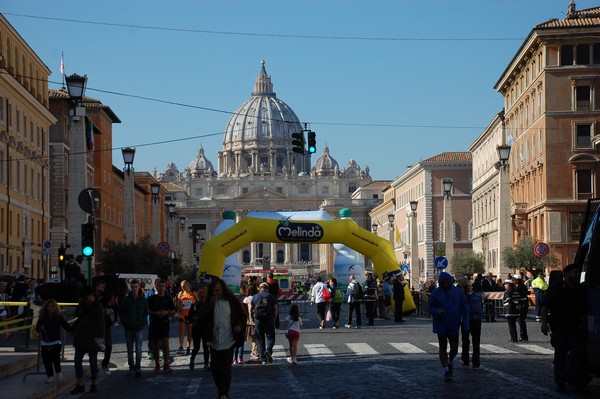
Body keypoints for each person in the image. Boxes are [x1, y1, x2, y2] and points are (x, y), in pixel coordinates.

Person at [541, 263, 589, 392]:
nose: (577, 275)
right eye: (575, 273)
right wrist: (544, 323)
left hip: (576, 326)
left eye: (578, 273)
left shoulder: (580, 289)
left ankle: (578, 382)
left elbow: (586, 308)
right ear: (567, 274)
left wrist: (583, 323)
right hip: (560, 325)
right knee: (560, 356)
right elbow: (545, 305)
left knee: (579, 355)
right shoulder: (556, 288)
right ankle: (560, 381)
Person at [200, 278, 247, 399]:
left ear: (223, 290)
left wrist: (239, 326)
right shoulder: (209, 301)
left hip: (229, 337)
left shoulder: (231, 300)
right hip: (214, 338)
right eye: (214, 291)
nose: (216, 293)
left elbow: (242, 315)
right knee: (215, 368)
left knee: (226, 368)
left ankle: (223, 393)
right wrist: (210, 303)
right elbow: (202, 316)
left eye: (218, 290)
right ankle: (220, 390)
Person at [428, 272, 469, 381]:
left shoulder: (458, 292)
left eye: (447, 283)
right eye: (443, 283)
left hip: (454, 323)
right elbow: (430, 307)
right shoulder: (435, 293)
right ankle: (446, 369)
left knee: (454, 348)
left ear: (450, 282)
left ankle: (450, 361)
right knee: (442, 346)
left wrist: (466, 322)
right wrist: (437, 311)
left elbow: (465, 307)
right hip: (441, 323)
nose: (446, 285)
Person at [70, 285, 105, 394]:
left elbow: (101, 322)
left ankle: (94, 383)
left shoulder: (97, 305)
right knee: (77, 361)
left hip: (92, 337)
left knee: (93, 362)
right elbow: (79, 318)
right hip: (81, 337)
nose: (91, 297)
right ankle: (80, 383)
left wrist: (101, 337)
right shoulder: (82, 305)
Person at [35, 299, 72, 383]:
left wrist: (72, 331)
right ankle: (50, 375)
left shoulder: (58, 316)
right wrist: (40, 328)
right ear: (46, 308)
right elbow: (37, 328)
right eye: (48, 306)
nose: (50, 308)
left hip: (56, 341)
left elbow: (66, 326)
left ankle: (58, 372)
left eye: (52, 306)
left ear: (55, 307)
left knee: (55, 358)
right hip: (45, 342)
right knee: (46, 360)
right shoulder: (42, 317)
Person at [119, 279, 148, 377]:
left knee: (138, 349)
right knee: (130, 349)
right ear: (131, 287)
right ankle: (131, 367)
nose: (134, 289)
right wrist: (125, 322)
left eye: (136, 287)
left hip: (139, 328)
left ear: (139, 287)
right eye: (133, 287)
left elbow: (145, 312)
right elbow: (121, 312)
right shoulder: (126, 300)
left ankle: (138, 367)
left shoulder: (143, 300)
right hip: (129, 328)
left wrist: (143, 323)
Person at [148, 280, 176, 373]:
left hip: (165, 323)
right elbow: (147, 310)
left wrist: (167, 312)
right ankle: (157, 365)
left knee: (165, 343)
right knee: (156, 345)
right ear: (157, 287)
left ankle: (166, 364)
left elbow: (173, 311)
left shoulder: (168, 299)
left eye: (163, 286)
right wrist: (156, 313)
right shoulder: (152, 298)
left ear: (165, 287)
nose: (161, 287)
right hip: (154, 323)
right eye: (159, 286)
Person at [250, 282, 278, 364]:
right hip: (269, 319)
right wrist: (274, 319)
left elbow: (250, 308)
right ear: (267, 288)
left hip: (258, 320)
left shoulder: (255, 297)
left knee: (260, 340)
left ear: (259, 288)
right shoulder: (270, 296)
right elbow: (276, 308)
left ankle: (263, 359)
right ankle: (268, 350)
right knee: (271, 337)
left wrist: (252, 318)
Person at [460, 279, 482, 370]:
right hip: (477, 320)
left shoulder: (462, 297)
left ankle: (465, 361)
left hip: (466, 320)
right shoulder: (477, 297)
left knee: (465, 340)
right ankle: (476, 363)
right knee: (476, 341)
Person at [93, 280, 114, 375]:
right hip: (96, 325)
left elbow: (111, 305)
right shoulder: (93, 297)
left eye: (104, 287)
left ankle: (105, 364)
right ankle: (94, 368)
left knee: (108, 346)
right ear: (97, 287)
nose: (102, 289)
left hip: (106, 324)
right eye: (101, 287)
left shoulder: (106, 296)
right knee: (95, 347)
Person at [190, 285, 211, 370]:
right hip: (196, 328)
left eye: (204, 296)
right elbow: (189, 317)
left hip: (205, 328)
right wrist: (194, 318)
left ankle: (206, 364)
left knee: (206, 347)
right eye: (201, 296)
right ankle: (192, 359)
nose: (203, 298)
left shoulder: (208, 306)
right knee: (197, 347)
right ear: (198, 297)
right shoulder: (194, 306)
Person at [176, 280, 198, 355]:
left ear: (188, 285)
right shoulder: (180, 293)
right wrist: (181, 311)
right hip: (182, 315)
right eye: (181, 286)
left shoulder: (193, 293)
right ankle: (181, 346)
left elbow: (198, 303)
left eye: (184, 286)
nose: (183, 288)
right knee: (181, 332)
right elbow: (178, 304)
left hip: (190, 315)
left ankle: (188, 347)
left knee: (190, 332)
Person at [242, 284, 259, 360]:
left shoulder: (246, 299)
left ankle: (255, 352)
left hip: (249, 318)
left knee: (253, 336)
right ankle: (255, 351)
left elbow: (243, 309)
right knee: (257, 336)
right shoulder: (258, 298)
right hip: (258, 317)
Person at [512, 274, 529, 341]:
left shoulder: (519, 287)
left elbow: (518, 296)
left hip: (521, 304)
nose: (513, 281)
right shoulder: (523, 286)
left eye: (514, 280)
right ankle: (524, 335)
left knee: (521, 320)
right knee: (521, 320)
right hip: (524, 303)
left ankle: (523, 335)